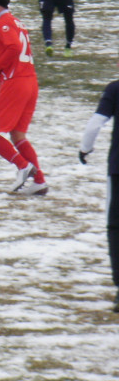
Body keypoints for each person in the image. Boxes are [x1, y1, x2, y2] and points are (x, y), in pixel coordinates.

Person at [0, 0, 47, 196]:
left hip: (15, 83)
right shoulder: (17, 22)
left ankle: (23, 167)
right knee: (17, 135)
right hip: (30, 82)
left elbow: (14, 48)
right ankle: (39, 181)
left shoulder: (3, 24)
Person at [79, 54, 119, 313]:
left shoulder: (115, 89)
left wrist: (85, 149)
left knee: (115, 226)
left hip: (118, 169)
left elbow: (95, 125)